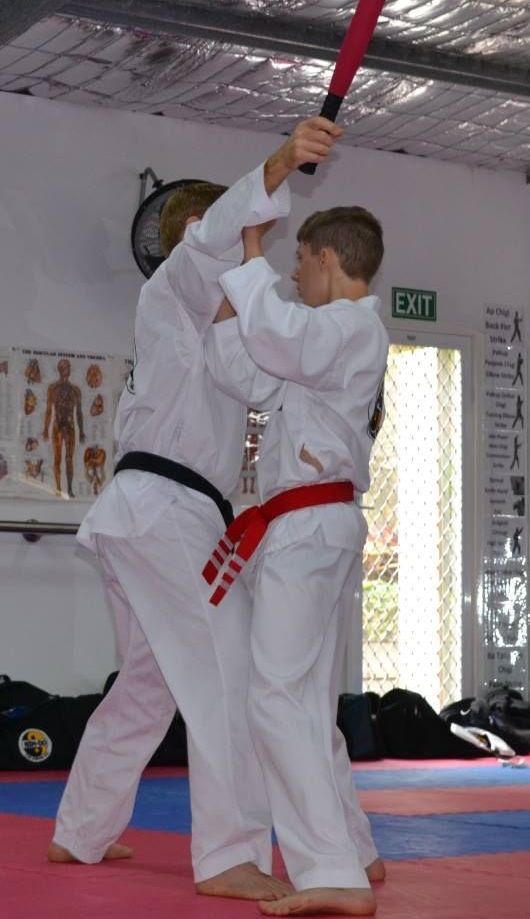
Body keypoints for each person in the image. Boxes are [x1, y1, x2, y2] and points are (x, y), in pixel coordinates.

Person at [47, 118, 340, 900]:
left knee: (147, 683)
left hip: (149, 513)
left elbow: (254, 382)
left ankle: (81, 830)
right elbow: (209, 242)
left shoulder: (213, 324)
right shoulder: (177, 280)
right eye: (243, 237)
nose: (251, 252)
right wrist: (278, 165)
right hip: (164, 509)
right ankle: (229, 855)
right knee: (230, 673)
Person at [204, 196, 389, 916]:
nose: (294, 271)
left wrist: (250, 257)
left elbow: (279, 337)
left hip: (311, 527)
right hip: (316, 525)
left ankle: (331, 871)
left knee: (275, 698)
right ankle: (354, 847)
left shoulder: (345, 326)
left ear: (328, 258)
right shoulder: (326, 339)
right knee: (305, 703)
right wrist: (230, 286)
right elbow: (249, 377)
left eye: (299, 260)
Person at [42, 357, 85, 498]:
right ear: (60, 369)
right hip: (57, 427)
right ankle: (59, 488)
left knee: (69, 459)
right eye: (64, 367)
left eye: (68, 367)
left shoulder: (76, 390)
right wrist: (45, 429)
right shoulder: (53, 389)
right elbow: (49, 410)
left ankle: (70, 489)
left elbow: (79, 412)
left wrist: (82, 431)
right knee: (57, 458)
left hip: (71, 427)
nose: (67, 369)